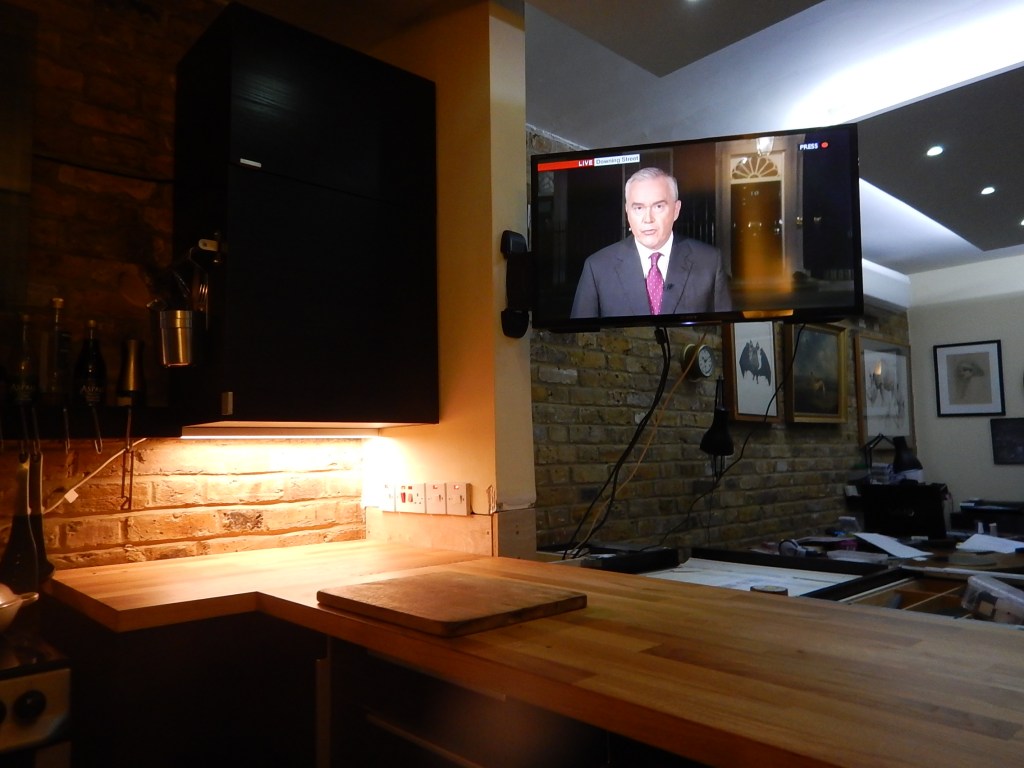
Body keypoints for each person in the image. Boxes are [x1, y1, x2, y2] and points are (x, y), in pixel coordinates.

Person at [570, 167, 732, 319]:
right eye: (639, 208)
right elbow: (580, 334)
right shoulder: (597, 267)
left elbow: (725, 327)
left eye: (658, 206)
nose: (648, 219)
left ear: (676, 210)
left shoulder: (709, 261)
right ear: (627, 212)